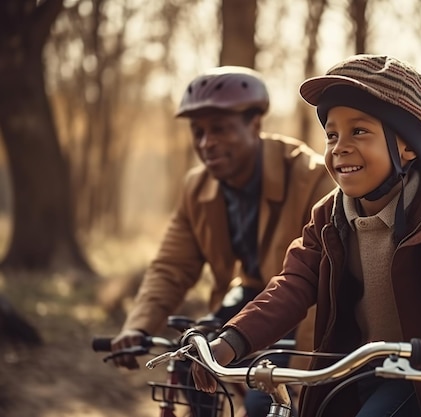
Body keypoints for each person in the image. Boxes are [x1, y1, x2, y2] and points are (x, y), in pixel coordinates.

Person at [192, 54, 421, 417]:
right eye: (331, 135)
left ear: (408, 146)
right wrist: (233, 339)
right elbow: (291, 285)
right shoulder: (328, 218)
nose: (340, 147)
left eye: (359, 131)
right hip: (354, 372)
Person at [110, 65, 336, 417]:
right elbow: (172, 266)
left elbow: (321, 283)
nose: (206, 143)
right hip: (248, 298)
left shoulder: (312, 178)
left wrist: (300, 373)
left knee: (269, 399)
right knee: (188, 361)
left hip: (304, 307)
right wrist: (138, 326)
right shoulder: (197, 187)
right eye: (197, 132)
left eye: (219, 129)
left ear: (255, 125)